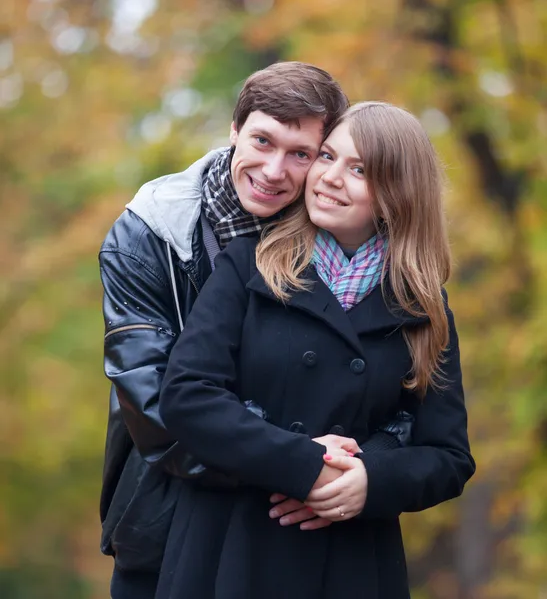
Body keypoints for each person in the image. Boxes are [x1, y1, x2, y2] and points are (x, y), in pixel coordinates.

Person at [99, 64, 411, 599]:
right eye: (262, 141)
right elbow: (154, 405)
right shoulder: (146, 235)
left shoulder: (342, 235)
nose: (273, 171)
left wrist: (355, 476)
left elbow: (395, 401)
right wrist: (297, 465)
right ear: (234, 131)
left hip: (312, 533)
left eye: (301, 154)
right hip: (171, 512)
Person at [156, 101, 476, 599]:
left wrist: (368, 481)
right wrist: (306, 466)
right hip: (232, 547)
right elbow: (187, 396)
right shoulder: (251, 264)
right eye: (326, 157)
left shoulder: (423, 307)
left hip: (350, 560)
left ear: (399, 193)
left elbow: (449, 456)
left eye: (359, 170)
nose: (329, 178)